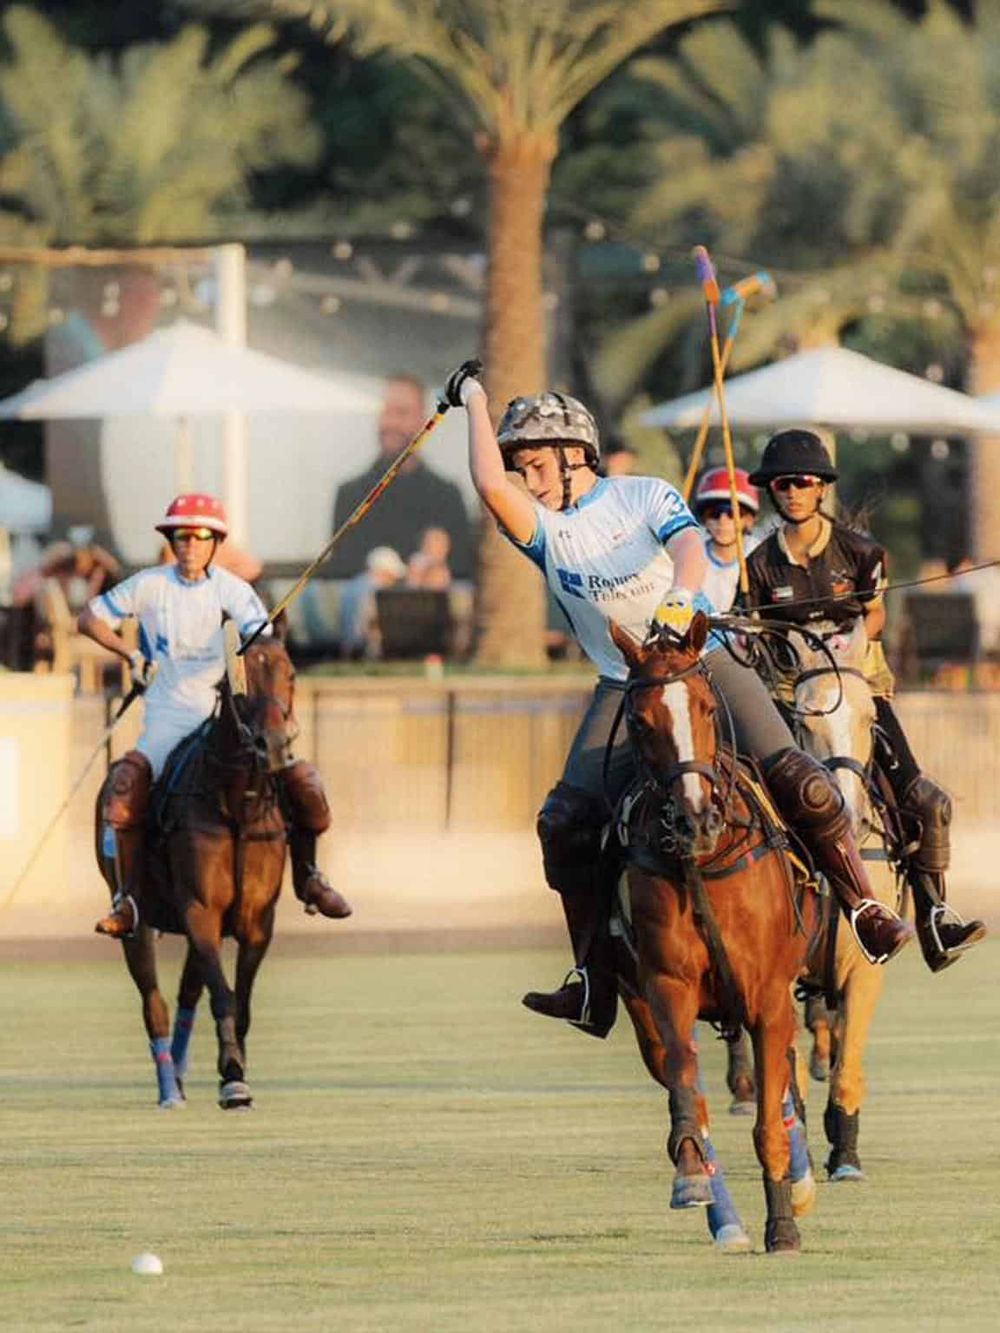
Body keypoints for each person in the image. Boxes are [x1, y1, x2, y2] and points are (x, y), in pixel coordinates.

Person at [443, 366, 912, 1038]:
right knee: (563, 823)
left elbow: (689, 547)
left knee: (802, 781)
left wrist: (682, 597)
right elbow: (489, 485)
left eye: (538, 464)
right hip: (624, 687)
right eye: (523, 467)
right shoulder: (545, 530)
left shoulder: (643, 495)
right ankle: (591, 979)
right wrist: (474, 400)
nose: (529, 479)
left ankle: (864, 908)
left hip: (703, 662)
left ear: (577, 456)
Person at [744, 429, 985, 972]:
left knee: (925, 800)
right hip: (787, 696)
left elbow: (875, 614)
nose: (792, 492)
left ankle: (934, 918)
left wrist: (851, 632)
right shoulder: (757, 563)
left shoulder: (862, 553)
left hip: (857, 687)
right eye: (782, 483)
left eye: (803, 482)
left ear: (822, 487)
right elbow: (755, 629)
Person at [77, 492, 352, 938]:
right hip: (167, 716)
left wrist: (265, 636)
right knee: (123, 788)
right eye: (182, 535)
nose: (190, 544)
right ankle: (126, 899)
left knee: (300, 780)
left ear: (214, 542)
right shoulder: (148, 584)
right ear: (171, 540)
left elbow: (263, 648)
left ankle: (309, 877)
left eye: (201, 536)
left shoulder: (233, 590)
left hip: (227, 714)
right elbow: (89, 617)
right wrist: (130, 655)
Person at [329, 375, 473, 578]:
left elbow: (463, 571)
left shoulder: (446, 497)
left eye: (402, 413)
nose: (391, 423)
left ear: (423, 422)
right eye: (387, 412)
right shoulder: (351, 495)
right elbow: (340, 572)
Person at [691, 467, 761, 613]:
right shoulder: (691, 558)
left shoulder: (762, 557)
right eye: (714, 514)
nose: (722, 521)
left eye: (732, 513)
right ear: (704, 519)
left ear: (749, 519)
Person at [339, 545, 407, 659]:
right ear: (382, 571)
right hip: (363, 650)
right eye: (392, 574)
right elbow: (368, 627)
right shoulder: (374, 591)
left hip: (348, 646)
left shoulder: (354, 585)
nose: (394, 580)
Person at [407, 527, 453, 591]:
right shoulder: (418, 562)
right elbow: (412, 586)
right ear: (425, 545)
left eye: (445, 544)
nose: (444, 548)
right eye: (437, 541)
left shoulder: (443, 566)